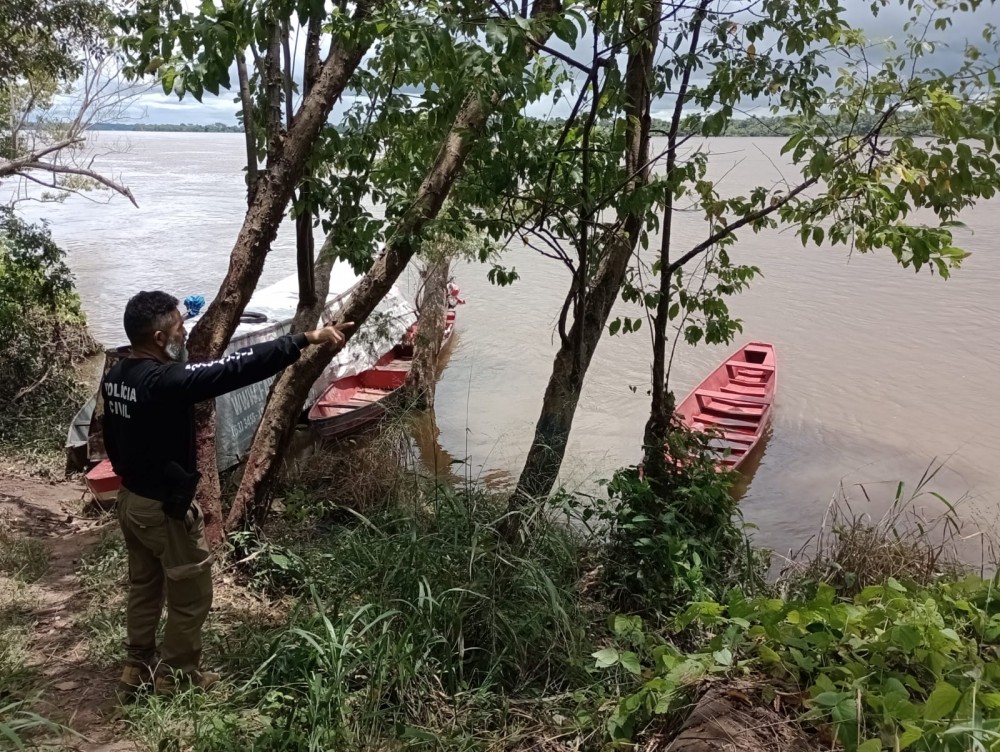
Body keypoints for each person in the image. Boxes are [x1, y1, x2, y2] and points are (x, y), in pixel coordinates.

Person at [102, 290, 352, 699]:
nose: (185, 331)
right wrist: (306, 339)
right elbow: (237, 368)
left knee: (145, 585)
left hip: (130, 501)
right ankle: (177, 676)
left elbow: (110, 437)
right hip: (164, 508)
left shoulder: (115, 377)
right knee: (190, 592)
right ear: (161, 338)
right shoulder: (164, 382)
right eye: (180, 327)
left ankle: (136, 666)